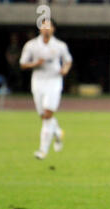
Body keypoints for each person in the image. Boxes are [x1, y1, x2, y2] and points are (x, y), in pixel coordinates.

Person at [19, 19, 72, 160]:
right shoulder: (31, 45)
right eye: (44, 26)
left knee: (48, 115)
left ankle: (43, 151)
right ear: (40, 29)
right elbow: (23, 64)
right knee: (43, 116)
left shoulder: (60, 45)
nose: (46, 29)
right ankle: (58, 132)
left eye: (49, 26)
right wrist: (35, 63)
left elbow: (68, 60)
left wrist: (65, 70)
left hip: (54, 81)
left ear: (53, 29)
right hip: (38, 81)